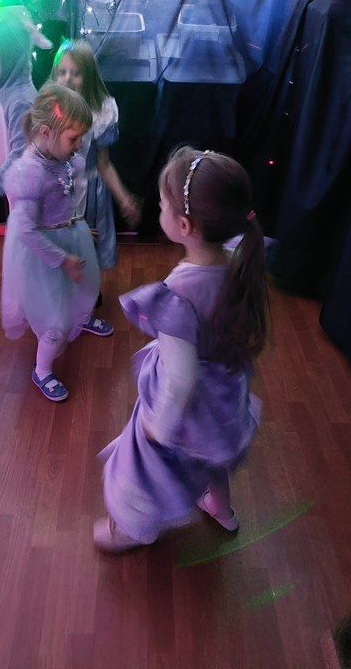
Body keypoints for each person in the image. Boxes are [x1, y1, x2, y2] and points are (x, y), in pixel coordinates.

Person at [94, 147, 268, 552]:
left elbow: (179, 379)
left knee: (141, 468)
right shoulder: (239, 257)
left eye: (161, 205)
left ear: (185, 225)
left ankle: (131, 529)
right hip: (225, 393)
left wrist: (157, 428)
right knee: (213, 456)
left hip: (188, 408)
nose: (159, 210)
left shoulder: (178, 296)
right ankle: (221, 508)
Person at [0, 83, 100, 402]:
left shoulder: (61, 157)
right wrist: (63, 258)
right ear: (46, 132)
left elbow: (64, 201)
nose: (79, 145)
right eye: (74, 138)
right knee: (53, 320)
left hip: (67, 235)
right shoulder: (31, 174)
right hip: (41, 254)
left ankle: (81, 318)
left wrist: (75, 225)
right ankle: (42, 370)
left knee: (78, 290)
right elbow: (26, 231)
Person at [51, 40, 141, 334]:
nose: (68, 79)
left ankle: (84, 306)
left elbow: (103, 164)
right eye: (62, 72)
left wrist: (124, 198)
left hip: (89, 194)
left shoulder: (102, 110)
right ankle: (64, 305)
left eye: (75, 73)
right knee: (62, 250)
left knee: (86, 252)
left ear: (88, 75)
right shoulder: (49, 107)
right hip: (58, 193)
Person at [0, 5, 52, 214]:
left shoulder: (20, 100)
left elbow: (21, 154)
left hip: (31, 198)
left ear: (12, 54)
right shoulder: (3, 93)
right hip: (18, 192)